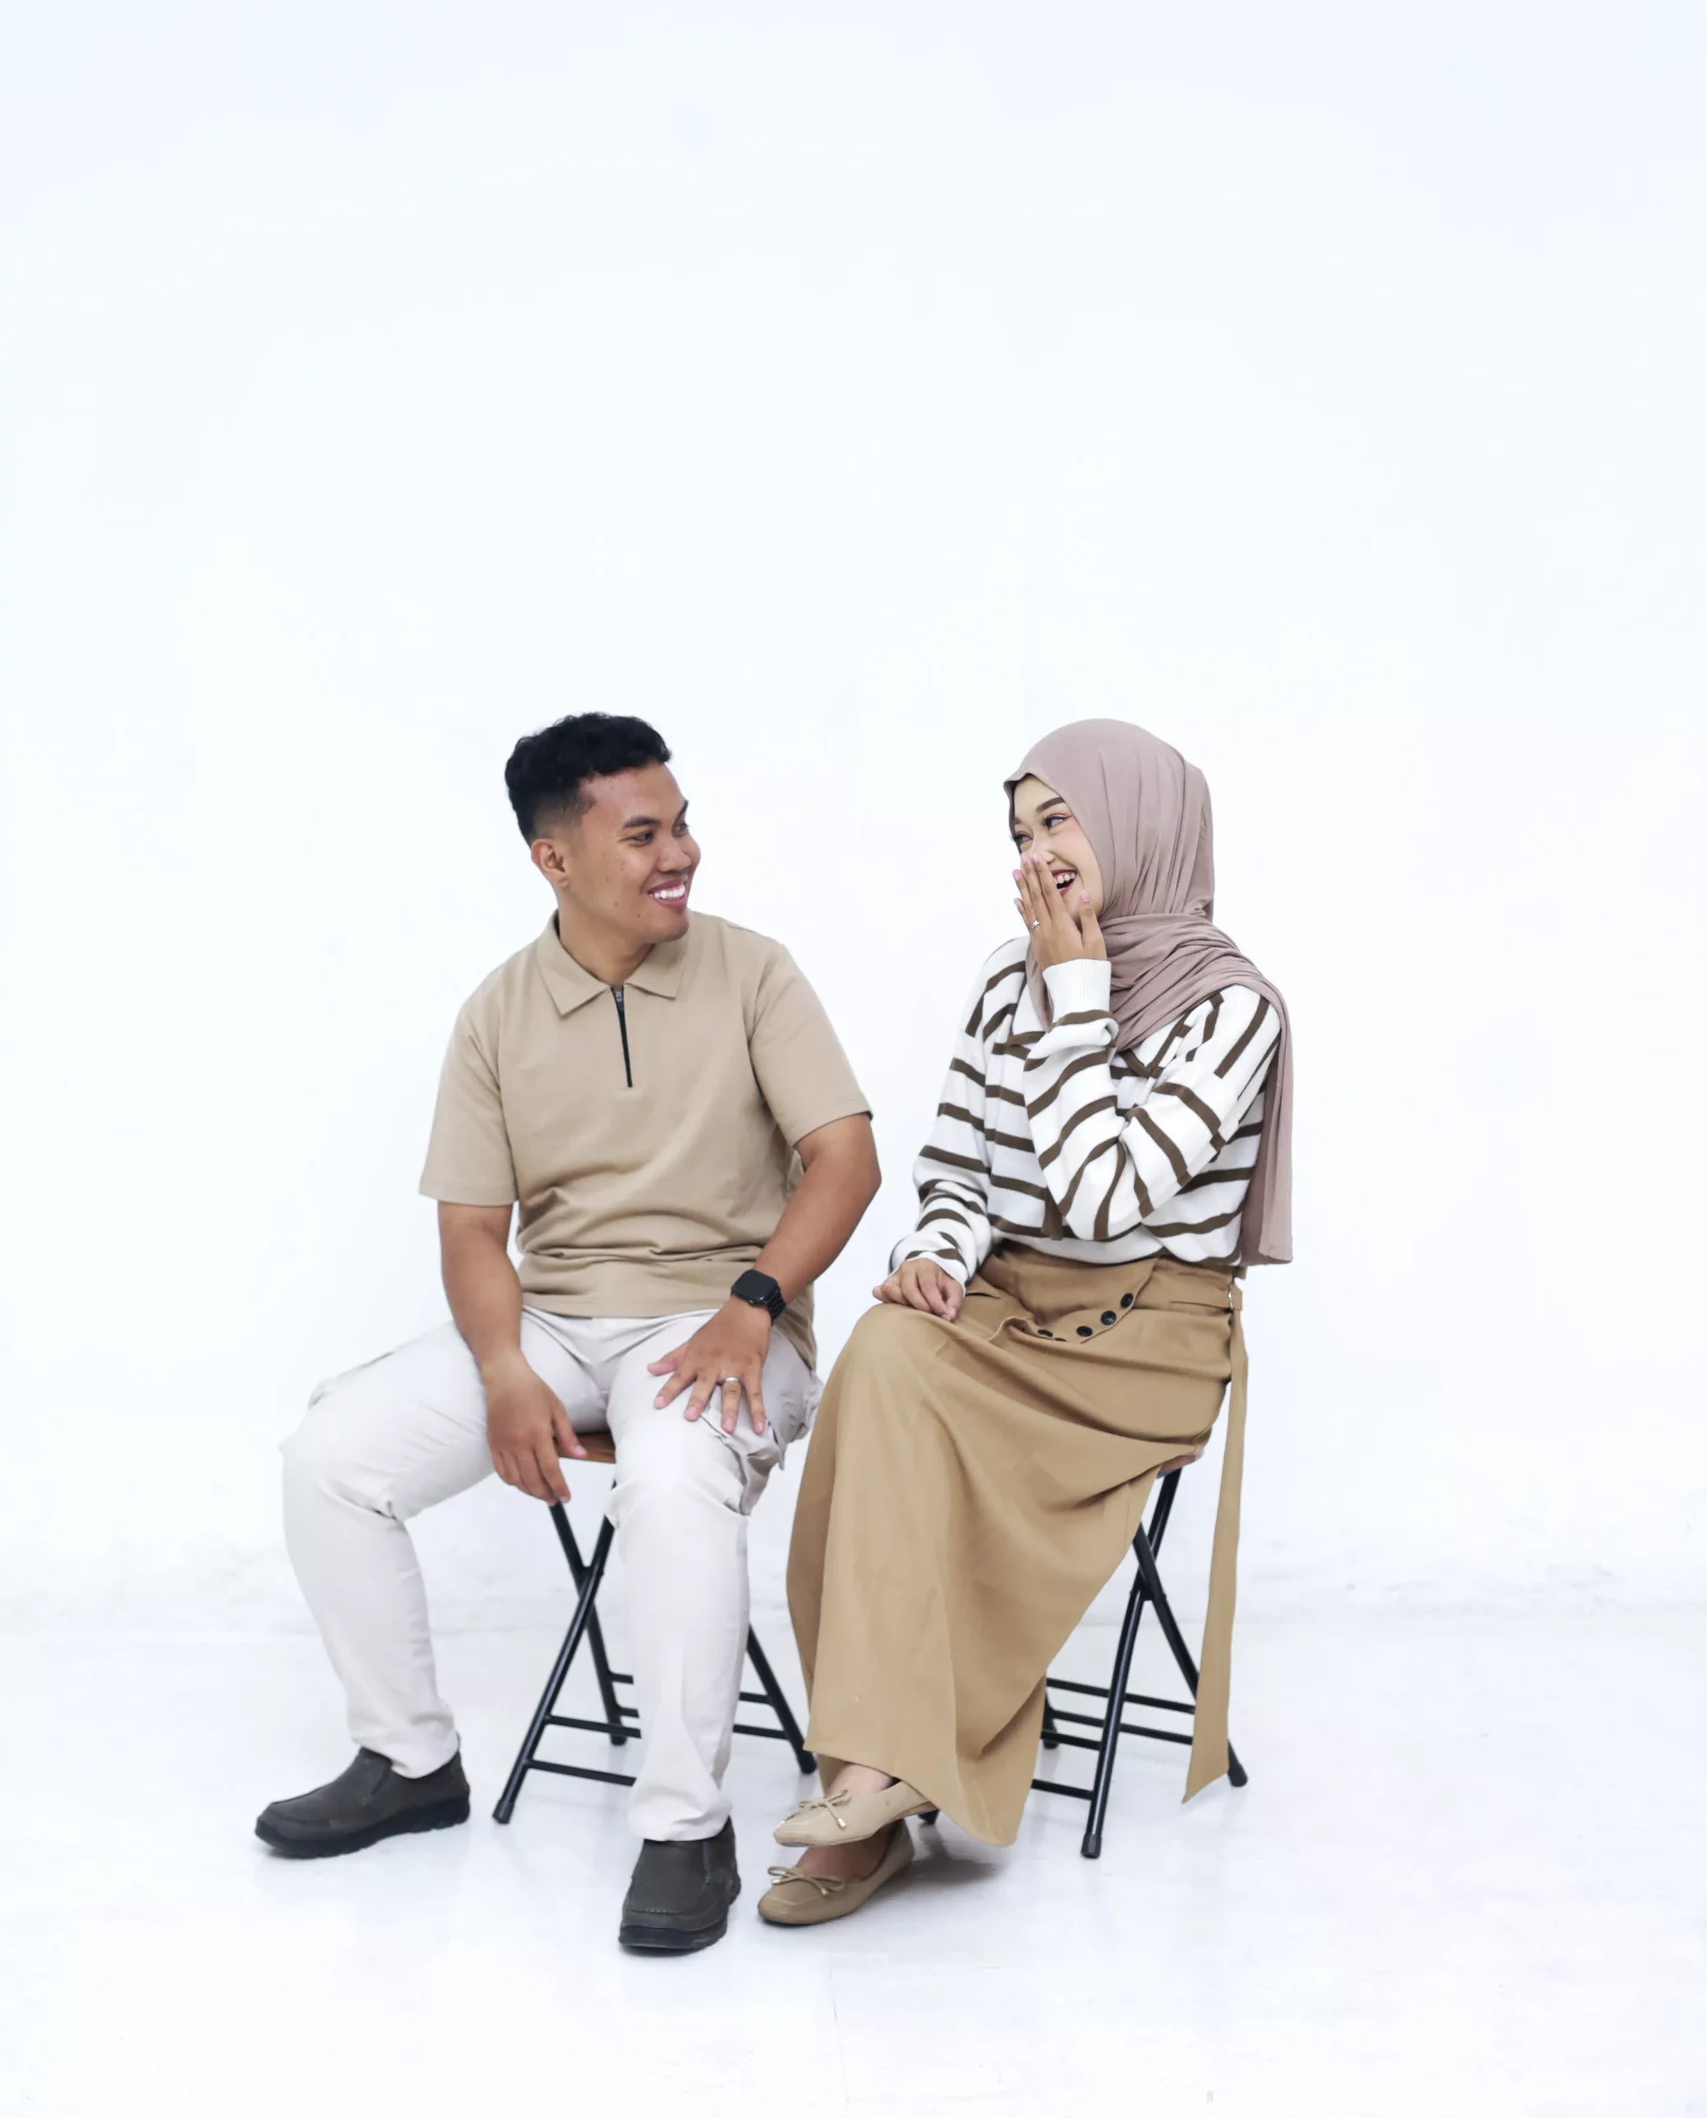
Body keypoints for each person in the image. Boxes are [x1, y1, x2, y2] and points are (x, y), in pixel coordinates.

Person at [256, 711, 878, 1955]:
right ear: (554, 858)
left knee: (672, 1474)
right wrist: (502, 1370)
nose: (680, 854)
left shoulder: (755, 972)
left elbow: (845, 1159)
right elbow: (472, 1229)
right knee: (331, 1458)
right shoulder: (498, 1012)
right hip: (553, 1321)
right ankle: (409, 1759)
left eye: (682, 824)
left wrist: (751, 1305)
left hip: (725, 1317)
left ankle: (687, 1824)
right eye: (643, 834)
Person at [762, 718, 1291, 1927]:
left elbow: (1106, 1194)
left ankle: (871, 1800)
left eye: (1060, 819)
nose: (1036, 851)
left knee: (919, 1405)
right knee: (885, 1348)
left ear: (1140, 823)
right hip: (1006, 1309)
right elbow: (958, 1171)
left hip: (1146, 1345)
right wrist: (935, 1259)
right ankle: (870, 1775)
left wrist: (1077, 995)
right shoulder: (1008, 975)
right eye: (1018, 831)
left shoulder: (1233, 1008)